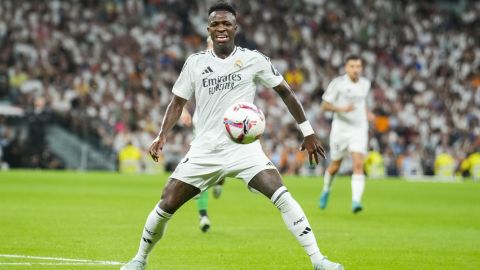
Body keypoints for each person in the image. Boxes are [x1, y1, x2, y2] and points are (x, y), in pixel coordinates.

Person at [120, 2, 343, 270]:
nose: (221, 28)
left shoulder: (254, 59)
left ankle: (319, 260)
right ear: (209, 29)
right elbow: (177, 103)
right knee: (166, 203)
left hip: (243, 149)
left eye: (226, 23)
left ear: (235, 28)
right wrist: (161, 135)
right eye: (216, 24)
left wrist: (307, 132)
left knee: (282, 194)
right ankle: (139, 259)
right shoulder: (195, 63)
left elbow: (285, 91)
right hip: (205, 149)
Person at [318, 55, 373, 213]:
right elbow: (325, 106)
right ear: (346, 68)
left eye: (358, 66)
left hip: (359, 129)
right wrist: (342, 109)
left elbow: (361, 104)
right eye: (352, 66)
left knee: (358, 164)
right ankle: (326, 189)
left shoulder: (365, 84)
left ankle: (356, 201)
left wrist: (367, 113)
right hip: (341, 129)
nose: (356, 70)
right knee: (335, 165)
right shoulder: (338, 84)